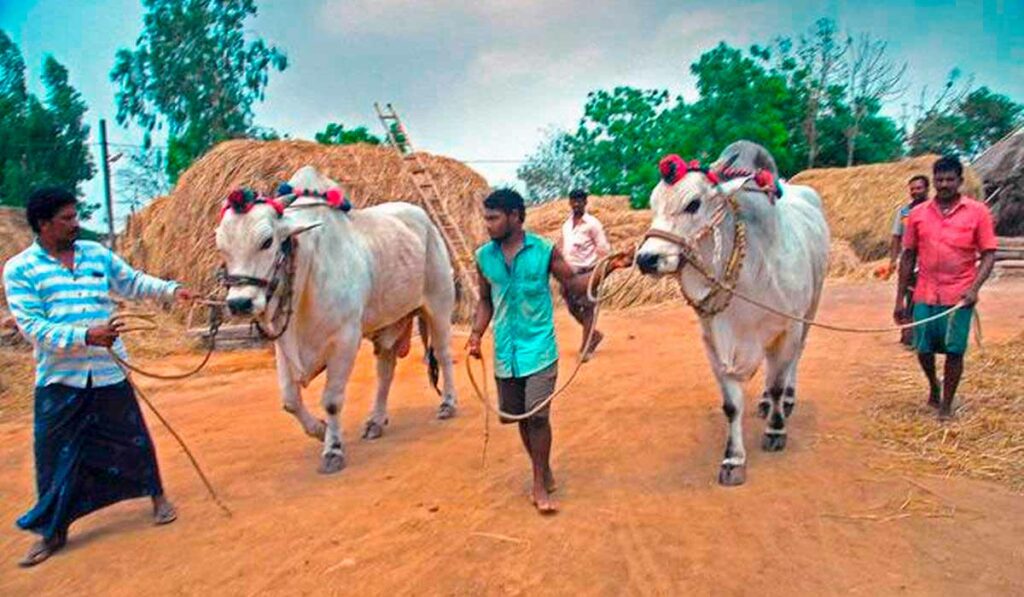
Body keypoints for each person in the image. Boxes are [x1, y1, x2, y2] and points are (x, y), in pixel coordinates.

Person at [3, 187, 195, 567]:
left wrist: (174, 291)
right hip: (60, 379)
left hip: (108, 372)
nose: (77, 224)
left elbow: (133, 282)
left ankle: (157, 497)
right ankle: (52, 532)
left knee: (133, 440)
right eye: (68, 218)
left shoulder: (95, 254)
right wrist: (85, 336)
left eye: (76, 216)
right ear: (44, 225)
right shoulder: (19, 269)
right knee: (53, 456)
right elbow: (32, 328)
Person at [466, 189, 630, 514]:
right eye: (486, 217)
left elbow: (576, 285)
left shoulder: (544, 251)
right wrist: (475, 334)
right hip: (505, 354)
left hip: (540, 349)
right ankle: (543, 468)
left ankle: (539, 482)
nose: (488, 224)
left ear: (515, 216)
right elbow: (485, 300)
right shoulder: (484, 257)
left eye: (494, 218)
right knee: (520, 418)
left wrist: (609, 267)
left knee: (538, 416)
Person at [895, 157, 997, 420]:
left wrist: (974, 289)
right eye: (939, 179)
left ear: (960, 181)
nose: (944, 184)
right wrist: (899, 300)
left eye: (950, 179)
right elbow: (908, 255)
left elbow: (988, 254)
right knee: (923, 349)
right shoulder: (917, 214)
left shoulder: (978, 212)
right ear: (934, 181)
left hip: (960, 295)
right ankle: (933, 385)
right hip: (924, 293)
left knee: (954, 350)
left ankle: (946, 405)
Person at [559, 189, 612, 361]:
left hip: (587, 271)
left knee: (588, 308)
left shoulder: (593, 224)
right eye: (573, 200)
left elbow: (603, 248)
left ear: (585, 202)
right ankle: (594, 335)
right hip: (569, 273)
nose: (576, 204)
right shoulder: (566, 225)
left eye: (580, 200)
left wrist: (600, 271)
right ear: (569, 202)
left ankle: (586, 347)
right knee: (572, 307)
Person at [884, 175, 931, 347]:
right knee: (909, 295)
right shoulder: (904, 212)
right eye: (912, 189)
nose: (915, 192)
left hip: (930, 260)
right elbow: (897, 237)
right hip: (909, 261)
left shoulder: (934, 209)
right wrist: (893, 260)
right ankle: (909, 333)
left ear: (927, 189)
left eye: (919, 188)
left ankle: (925, 335)